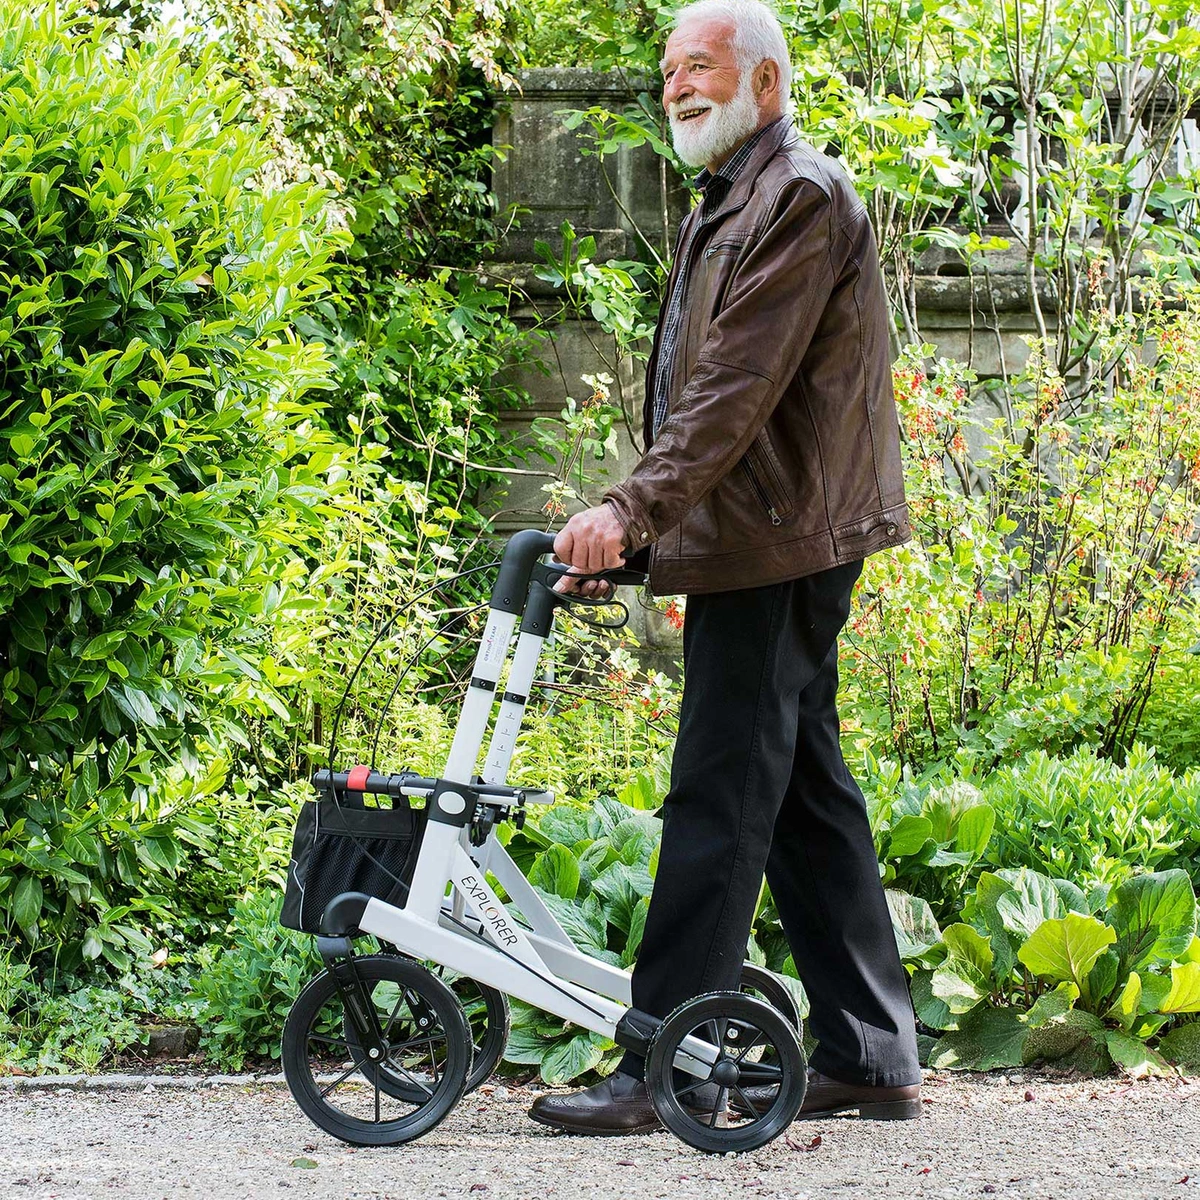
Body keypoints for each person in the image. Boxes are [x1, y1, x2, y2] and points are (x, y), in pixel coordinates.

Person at [530, 0, 923, 1134]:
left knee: (719, 787)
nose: (675, 87)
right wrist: (640, 537)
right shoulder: (732, 196)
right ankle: (871, 1055)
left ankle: (664, 1060)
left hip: (779, 541)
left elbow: (734, 393)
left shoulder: (798, 195)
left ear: (764, 82)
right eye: (667, 72)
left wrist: (627, 511)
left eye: (697, 66)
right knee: (798, 790)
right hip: (763, 535)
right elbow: (710, 403)